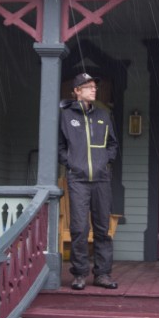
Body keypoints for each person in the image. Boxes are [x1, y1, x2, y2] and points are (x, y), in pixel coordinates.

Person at [58, 72, 119, 290]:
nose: (93, 89)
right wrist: (72, 163)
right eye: (88, 86)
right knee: (79, 228)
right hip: (78, 180)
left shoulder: (103, 115)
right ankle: (80, 274)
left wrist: (105, 161)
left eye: (94, 86)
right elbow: (59, 146)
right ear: (76, 91)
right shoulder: (65, 116)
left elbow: (113, 144)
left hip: (101, 179)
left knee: (103, 229)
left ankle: (102, 274)